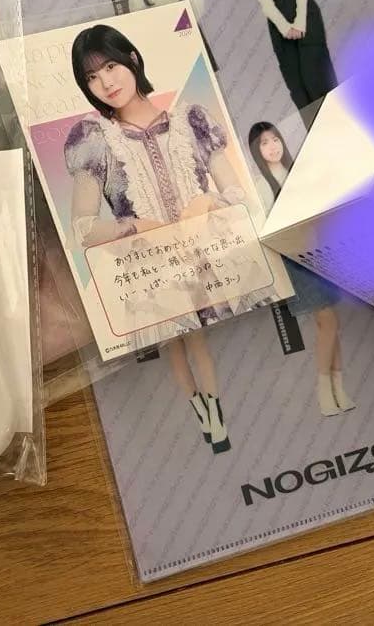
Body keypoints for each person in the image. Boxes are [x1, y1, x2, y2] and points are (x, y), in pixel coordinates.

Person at [63, 24, 252, 453]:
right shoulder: (95, 140)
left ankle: (214, 412)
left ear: (132, 58)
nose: (105, 82)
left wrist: (205, 203)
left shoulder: (190, 121)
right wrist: (133, 227)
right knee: (174, 342)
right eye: (91, 77)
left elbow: (238, 194)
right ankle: (202, 411)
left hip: (205, 257)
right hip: (149, 267)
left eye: (110, 67)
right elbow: (82, 229)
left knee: (197, 338)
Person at [248, 122, 355, 416]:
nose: (272, 146)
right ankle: (324, 391)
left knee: (328, 325)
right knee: (328, 321)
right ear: (256, 151)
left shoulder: (298, 171)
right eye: (264, 143)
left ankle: (338, 390)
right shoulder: (261, 184)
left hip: (319, 250)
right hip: (294, 258)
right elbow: (266, 228)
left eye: (275, 139)